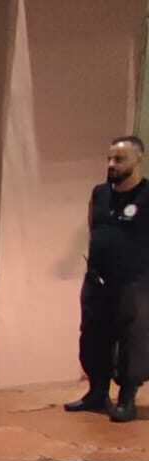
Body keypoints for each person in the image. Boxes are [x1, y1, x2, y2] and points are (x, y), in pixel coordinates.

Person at [65, 136, 149, 422]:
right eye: (109, 159)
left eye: (119, 159)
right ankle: (96, 393)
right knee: (92, 336)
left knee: (132, 340)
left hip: (134, 281)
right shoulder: (100, 193)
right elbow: (94, 227)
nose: (112, 165)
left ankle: (127, 398)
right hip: (98, 280)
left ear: (138, 160)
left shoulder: (146, 195)